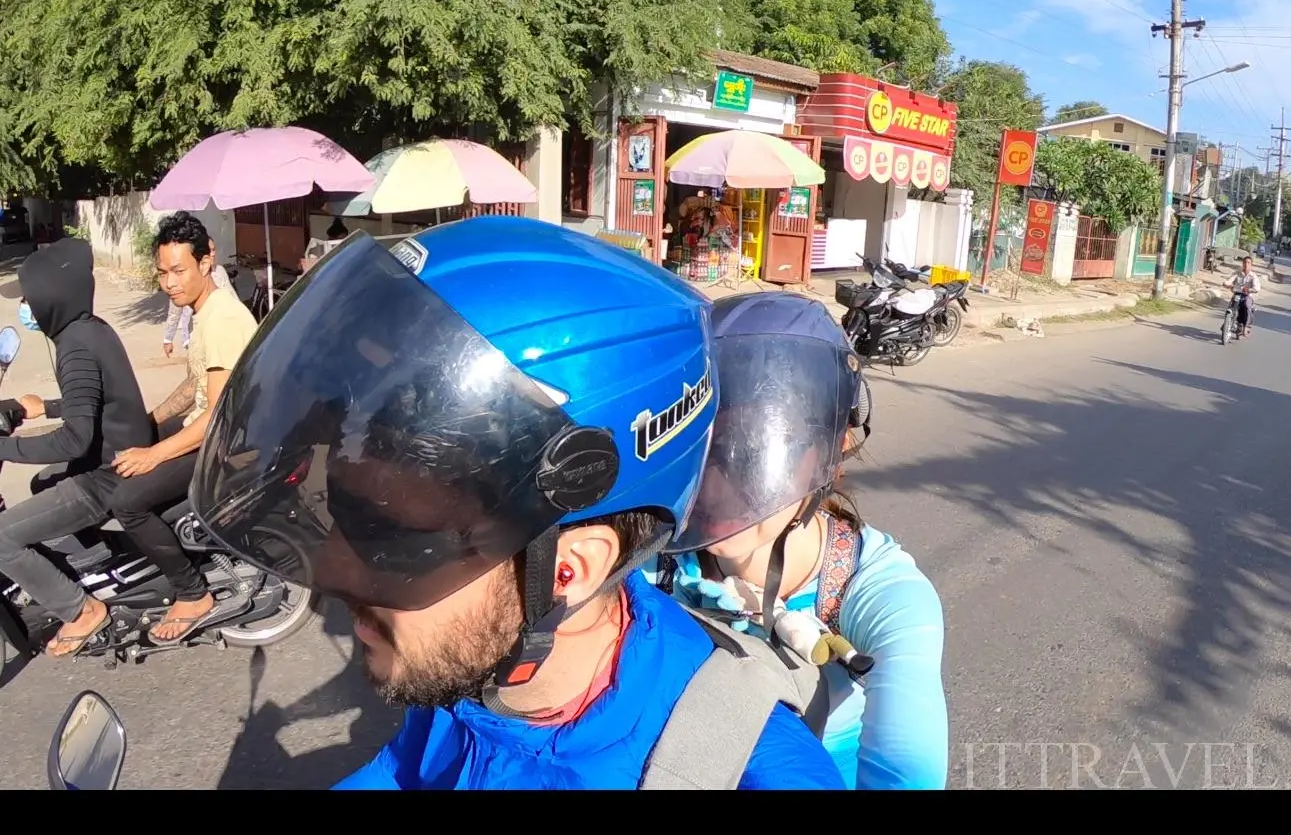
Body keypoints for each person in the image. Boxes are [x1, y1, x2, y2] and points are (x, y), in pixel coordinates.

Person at [182, 219, 846, 790]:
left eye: (397, 542)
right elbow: (409, 770)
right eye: (352, 511)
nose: (342, 572)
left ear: (568, 570)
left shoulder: (743, 770)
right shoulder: (485, 661)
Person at [650, 291, 948, 790]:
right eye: (708, 449)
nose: (718, 485)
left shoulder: (883, 593)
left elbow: (905, 771)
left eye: (749, 451)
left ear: (827, 453)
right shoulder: (654, 563)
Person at [0, 237, 154, 657]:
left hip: (104, 476)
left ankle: (80, 609)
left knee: (1, 539)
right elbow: (93, 402)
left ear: (51, 294)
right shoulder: (89, 329)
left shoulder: (75, 348)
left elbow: (75, 438)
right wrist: (43, 407)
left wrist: (4, 450)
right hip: (109, 458)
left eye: (29, 298)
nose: (26, 308)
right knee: (40, 482)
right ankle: (97, 566)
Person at [109, 211, 258, 644]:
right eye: (163, 273)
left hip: (222, 445)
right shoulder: (201, 310)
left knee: (128, 502)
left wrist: (153, 453)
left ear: (205, 262)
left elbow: (215, 413)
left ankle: (191, 593)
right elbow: (195, 383)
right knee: (126, 449)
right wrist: (149, 423)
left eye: (178, 271)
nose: (169, 282)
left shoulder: (223, 319)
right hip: (205, 428)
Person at [162, 238, 232, 358]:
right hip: (194, 335)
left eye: (214, 250)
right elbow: (174, 312)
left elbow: (232, 298)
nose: (213, 253)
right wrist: (168, 338)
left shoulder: (219, 272)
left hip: (219, 333)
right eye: (210, 250)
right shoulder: (186, 277)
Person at [1225, 255, 1263, 337]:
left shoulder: (1253, 276)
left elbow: (1257, 288)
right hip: (1237, 294)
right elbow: (1229, 280)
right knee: (1230, 307)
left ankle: (1246, 326)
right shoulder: (1237, 273)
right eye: (1245, 262)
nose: (1246, 264)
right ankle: (1226, 323)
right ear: (1242, 264)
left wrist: (1249, 290)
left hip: (1247, 296)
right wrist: (1227, 284)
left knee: (1246, 305)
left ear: (1251, 265)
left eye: (1248, 263)